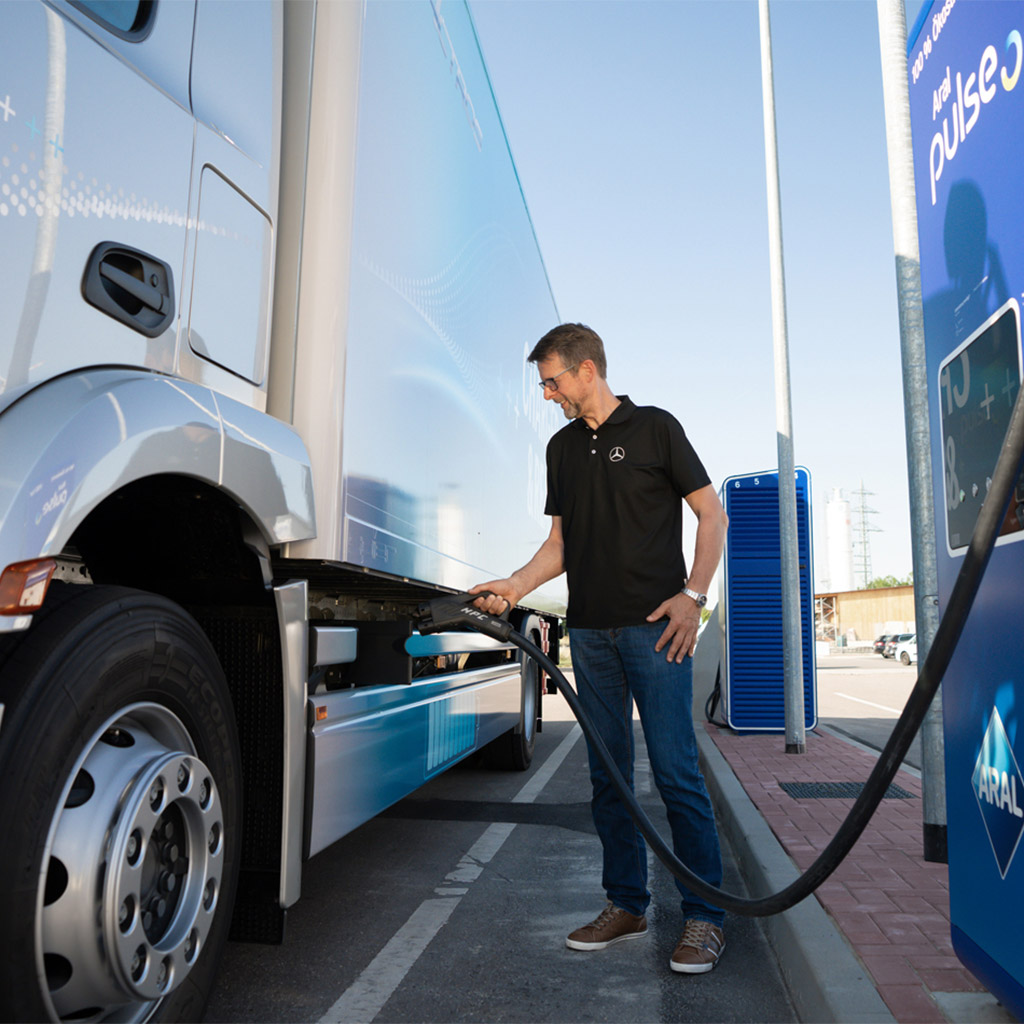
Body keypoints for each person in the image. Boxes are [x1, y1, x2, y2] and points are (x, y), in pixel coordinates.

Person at [471, 322, 729, 974]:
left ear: (588, 370)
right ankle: (627, 903)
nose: (549, 394)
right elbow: (558, 546)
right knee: (607, 778)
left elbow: (711, 514)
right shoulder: (561, 449)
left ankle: (704, 918)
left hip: (656, 633)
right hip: (589, 637)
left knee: (675, 774)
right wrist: (514, 584)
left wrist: (693, 596)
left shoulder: (655, 429)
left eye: (553, 381)